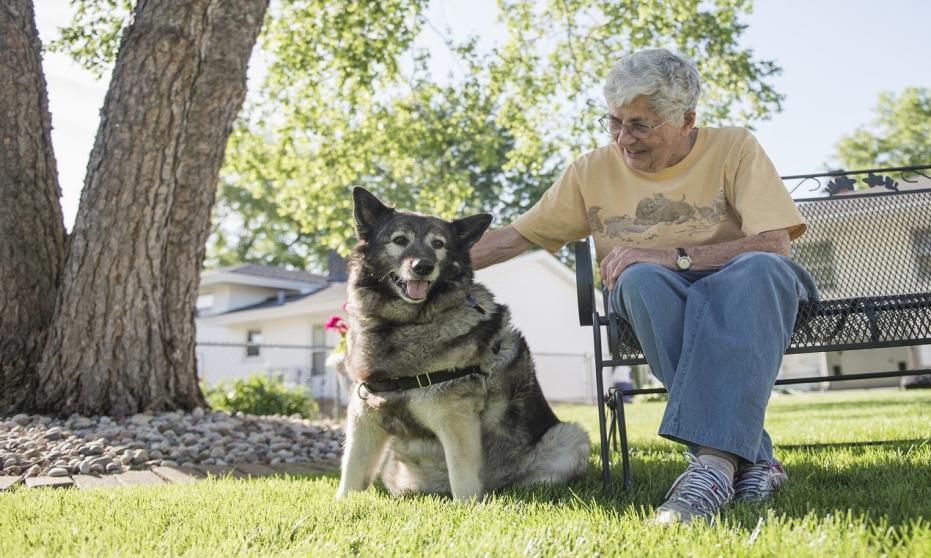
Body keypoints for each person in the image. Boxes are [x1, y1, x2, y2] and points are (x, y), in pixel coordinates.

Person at [470, 48, 818, 524]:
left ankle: (713, 466)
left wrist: (672, 254)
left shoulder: (734, 146)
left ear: (687, 118)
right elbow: (513, 238)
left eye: (640, 125)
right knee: (637, 280)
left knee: (758, 269)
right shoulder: (589, 171)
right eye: (613, 122)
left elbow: (774, 243)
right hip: (656, 296)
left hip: (751, 290)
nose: (623, 139)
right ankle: (750, 460)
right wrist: (412, 266)